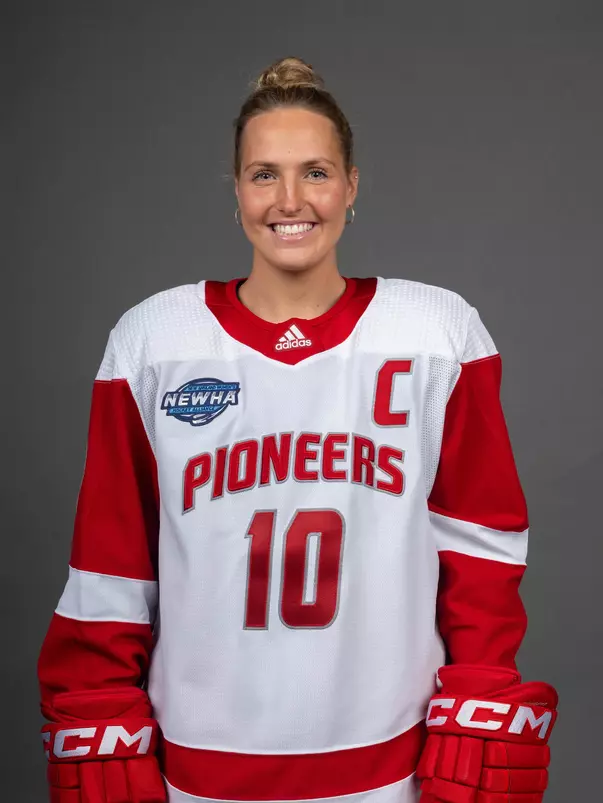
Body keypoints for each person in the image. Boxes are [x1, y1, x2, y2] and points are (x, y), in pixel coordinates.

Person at [38, 57, 558, 803]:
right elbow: (111, 565)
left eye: (315, 172)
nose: (290, 199)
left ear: (351, 186)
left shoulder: (438, 331)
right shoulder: (153, 340)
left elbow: (480, 553)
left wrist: (478, 694)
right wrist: (100, 710)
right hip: (198, 765)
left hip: (392, 765)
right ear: (237, 193)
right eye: (263, 175)